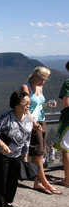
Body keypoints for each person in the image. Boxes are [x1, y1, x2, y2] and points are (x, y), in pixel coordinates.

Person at [20, 67, 62, 195]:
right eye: (41, 79)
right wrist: (34, 123)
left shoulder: (39, 88)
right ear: (34, 76)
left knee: (41, 151)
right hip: (32, 123)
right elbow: (25, 107)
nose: (43, 82)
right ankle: (45, 181)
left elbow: (37, 105)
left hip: (41, 120)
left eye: (45, 80)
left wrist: (47, 104)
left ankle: (37, 182)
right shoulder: (26, 88)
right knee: (38, 152)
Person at [0, 91, 33, 207]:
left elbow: (28, 138)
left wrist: (25, 154)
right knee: (1, 178)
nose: (27, 106)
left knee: (13, 178)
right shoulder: (7, 117)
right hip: (1, 153)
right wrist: (2, 145)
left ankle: (8, 200)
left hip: (17, 153)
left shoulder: (29, 120)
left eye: (29, 103)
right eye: (25, 103)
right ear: (16, 104)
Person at [54, 61, 69, 187]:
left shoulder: (68, 82)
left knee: (66, 148)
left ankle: (67, 179)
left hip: (68, 120)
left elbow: (66, 103)